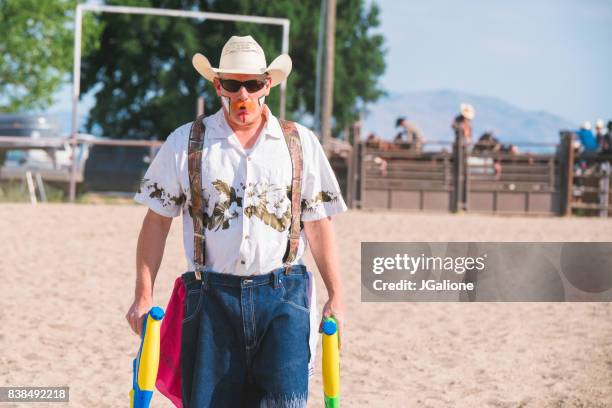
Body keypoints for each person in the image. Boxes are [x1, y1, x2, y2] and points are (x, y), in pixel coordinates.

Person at [125, 35, 347, 407]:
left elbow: (319, 223)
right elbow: (156, 222)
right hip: (210, 298)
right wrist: (142, 296)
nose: (242, 94)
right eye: (232, 84)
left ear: (268, 86)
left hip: (284, 297)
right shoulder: (186, 142)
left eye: (253, 84)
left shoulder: (299, 143)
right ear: (218, 86)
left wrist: (336, 295)